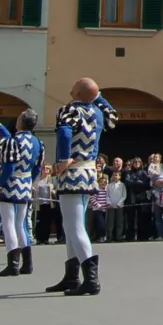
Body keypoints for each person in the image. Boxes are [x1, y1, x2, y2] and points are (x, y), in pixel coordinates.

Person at [46, 77, 116, 296]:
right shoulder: (98, 113)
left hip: (73, 170)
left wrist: (64, 158)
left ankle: (90, 278)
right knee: (72, 224)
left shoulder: (68, 110)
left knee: (74, 225)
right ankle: (71, 275)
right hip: (89, 170)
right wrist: (98, 96)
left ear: (76, 94)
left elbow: (65, 132)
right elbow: (113, 117)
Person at [0, 109, 44, 278]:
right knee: (21, 224)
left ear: (20, 122)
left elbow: (8, 167)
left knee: (9, 224)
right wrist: (29, 181)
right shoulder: (38, 142)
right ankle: (27, 263)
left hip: (11, 184)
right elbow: (38, 167)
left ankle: (12, 264)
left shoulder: (12, 142)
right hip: (26, 183)